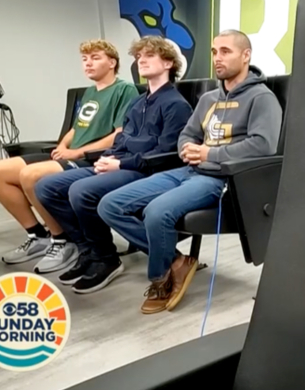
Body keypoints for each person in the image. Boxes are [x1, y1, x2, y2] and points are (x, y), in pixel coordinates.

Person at [98, 29, 283, 314]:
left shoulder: (262, 98)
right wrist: (188, 148)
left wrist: (210, 153)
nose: (217, 58)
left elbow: (263, 146)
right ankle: (176, 261)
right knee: (110, 205)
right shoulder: (209, 99)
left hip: (223, 179)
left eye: (225, 51)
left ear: (246, 55)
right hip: (189, 170)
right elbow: (187, 134)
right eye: (213, 51)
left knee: (157, 212)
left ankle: (159, 278)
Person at [34, 36, 193, 293]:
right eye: (138, 56)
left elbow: (166, 154)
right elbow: (122, 138)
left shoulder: (176, 105)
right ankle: (89, 250)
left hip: (147, 172)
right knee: (46, 187)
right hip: (122, 164)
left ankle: (106, 257)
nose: (140, 60)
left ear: (168, 63)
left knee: (81, 191)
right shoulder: (138, 102)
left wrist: (119, 163)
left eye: (148, 55)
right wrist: (108, 158)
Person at [0, 39, 139, 272]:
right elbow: (78, 127)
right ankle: (38, 235)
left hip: (92, 157)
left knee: (30, 175)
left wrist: (76, 151)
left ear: (112, 62)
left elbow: (120, 134)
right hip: (70, 154)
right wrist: (63, 144)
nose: (88, 63)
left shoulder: (124, 89)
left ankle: (62, 240)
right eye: (84, 59)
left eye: (95, 58)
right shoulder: (90, 92)